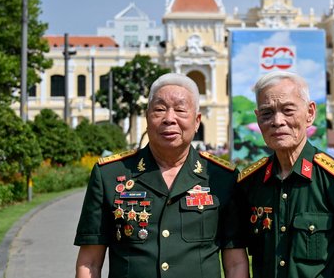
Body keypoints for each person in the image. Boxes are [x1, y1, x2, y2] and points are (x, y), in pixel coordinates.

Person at [74, 73, 248, 278]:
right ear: (147, 118)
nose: (169, 119)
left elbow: (236, 263)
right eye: (159, 110)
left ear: (197, 121)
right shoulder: (110, 175)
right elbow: (90, 263)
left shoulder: (222, 178)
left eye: (181, 110)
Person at [235, 71, 334, 278]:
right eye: (266, 113)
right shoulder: (250, 183)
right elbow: (237, 255)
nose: (277, 121)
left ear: (310, 113)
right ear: (258, 119)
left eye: (288, 110)